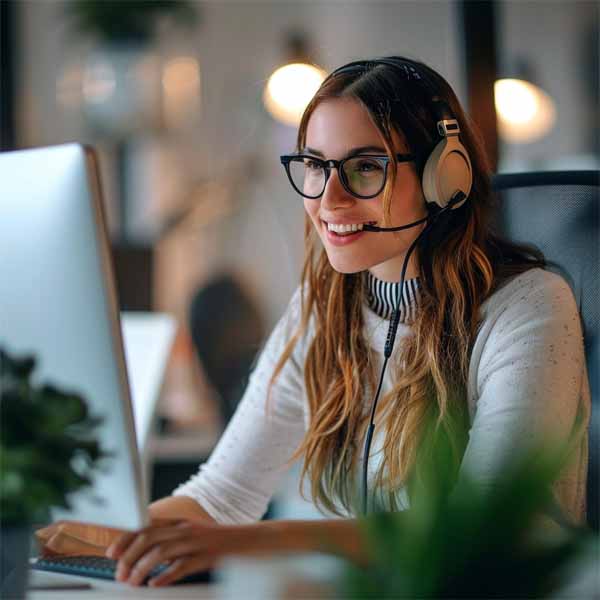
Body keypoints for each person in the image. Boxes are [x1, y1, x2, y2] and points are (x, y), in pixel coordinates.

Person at [36, 56, 591, 587]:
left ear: (445, 177)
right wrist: (85, 534)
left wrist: (245, 544)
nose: (330, 199)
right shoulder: (323, 306)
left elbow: (478, 527)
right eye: (315, 166)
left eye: (365, 168)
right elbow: (220, 497)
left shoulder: (526, 306)